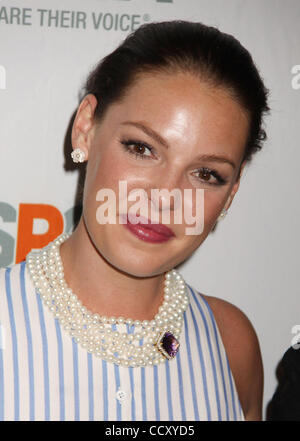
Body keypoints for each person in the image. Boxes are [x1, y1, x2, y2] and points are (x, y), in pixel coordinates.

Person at [0, 20, 269, 421]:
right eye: (142, 148)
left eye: (206, 174)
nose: (165, 198)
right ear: (85, 129)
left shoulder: (232, 343)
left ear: (232, 190)